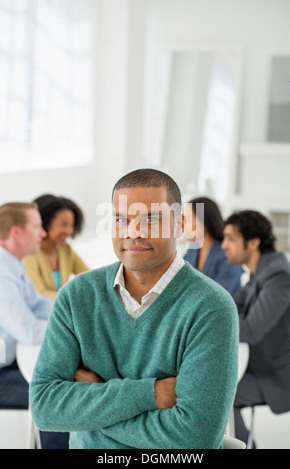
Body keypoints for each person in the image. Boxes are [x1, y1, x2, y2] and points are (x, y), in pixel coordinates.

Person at [29, 168, 239, 449]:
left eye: (150, 219)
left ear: (179, 225)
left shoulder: (212, 307)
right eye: (121, 220)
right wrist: (151, 393)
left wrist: (93, 404)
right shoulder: (76, 296)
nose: (133, 232)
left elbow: (195, 438)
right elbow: (45, 408)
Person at [222, 210, 290, 445]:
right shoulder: (261, 270)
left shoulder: (278, 274)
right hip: (260, 363)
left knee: (219, 394)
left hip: (280, 372)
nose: (224, 245)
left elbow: (251, 330)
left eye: (231, 238)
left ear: (253, 242)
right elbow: (232, 303)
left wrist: (213, 325)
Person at [0, 202, 69, 449]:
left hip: (9, 364)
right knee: (56, 397)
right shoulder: (1, 273)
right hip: (3, 373)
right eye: (37, 227)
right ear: (16, 232)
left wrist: (75, 316)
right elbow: (29, 331)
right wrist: (71, 332)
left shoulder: (12, 267)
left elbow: (41, 305)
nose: (43, 234)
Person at [23, 194, 89, 299]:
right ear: (44, 223)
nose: (69, 231)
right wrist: (75, 299)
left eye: (71, 225)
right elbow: (39, 295)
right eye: (63, 224)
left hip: (58, 311)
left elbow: (90, 277)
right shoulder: (29, 253)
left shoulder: (65, 250)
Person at [184, 197, 242, 294]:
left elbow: (221, 296)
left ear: (204, 223)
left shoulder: (228, 255)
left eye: (188, 219)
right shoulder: (193, 249)